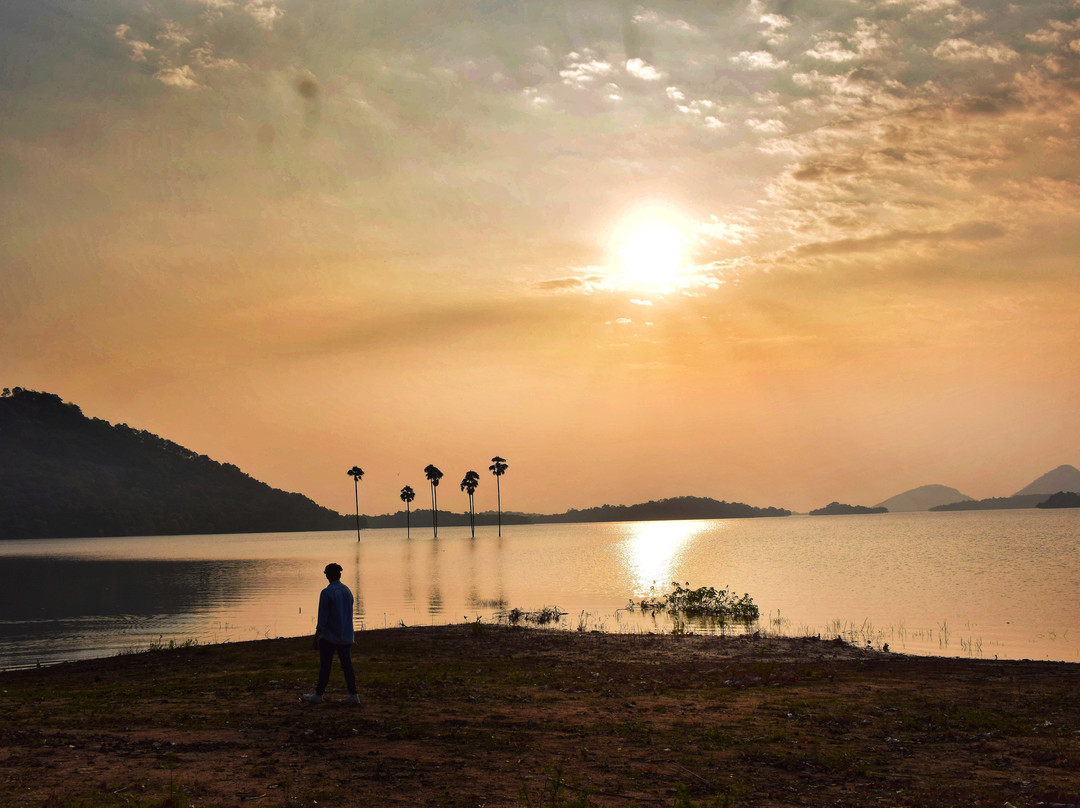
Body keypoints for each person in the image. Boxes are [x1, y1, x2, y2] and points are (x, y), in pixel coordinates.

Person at [302, 562, 359, 704]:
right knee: (347, 666)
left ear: (327, 576)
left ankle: (319, 694)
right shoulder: (347, 591)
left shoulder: (327, 593)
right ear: (339, 575)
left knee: (325, 666)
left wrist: (316, 638)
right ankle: (353, 694)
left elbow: (322, 619)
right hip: (346, 635)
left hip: (330, 636)